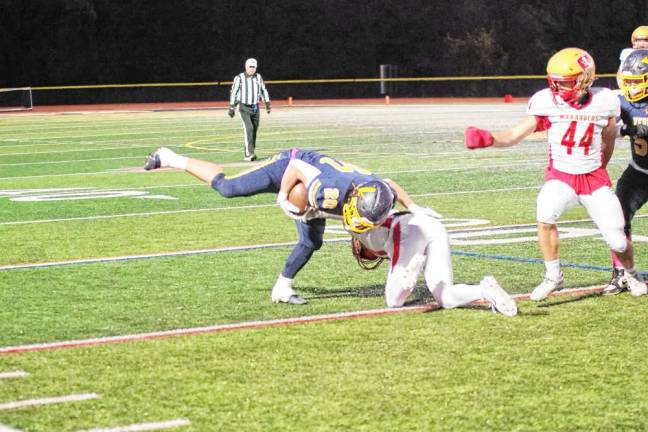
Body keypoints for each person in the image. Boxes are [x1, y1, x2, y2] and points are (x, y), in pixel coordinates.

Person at [144, 146, 440, 304]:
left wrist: (414, 207)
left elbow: (389, 184)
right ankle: (171, 157)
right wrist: (285, 198)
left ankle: (282, 288)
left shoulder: (377, 195)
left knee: (311, 241)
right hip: (289, 167)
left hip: (316, 187)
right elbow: (297, 170)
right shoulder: (326, 192)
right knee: (228, 188)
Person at [464, 47, 646, 300]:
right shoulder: (546, 102)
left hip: (593, 179)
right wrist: (489, 138)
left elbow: (608, 138)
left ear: (585, 79)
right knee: (545, 213)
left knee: (617, 239)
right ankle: (553, 276)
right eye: (556, 83)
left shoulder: (605, 101)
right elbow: (515, 134)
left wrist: (601, 165)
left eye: (566, 82)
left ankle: (631, 273)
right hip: (561, 176)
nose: (559, 89)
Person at [350, 210, 518, 316]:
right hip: (433, 226)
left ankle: (410, 275)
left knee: (394, 301)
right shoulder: (370, 224)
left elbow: (388, 183)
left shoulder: (363, 230)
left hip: (408, 229)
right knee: (446, 297)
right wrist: (411, 204)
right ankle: (485, 289)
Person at [604, 49, 648, 296]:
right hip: (640, 170)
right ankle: (620, 272)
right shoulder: (621, 102)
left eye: (636, 82)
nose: (631, 87)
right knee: (617, 217)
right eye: (628, 81)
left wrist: (632, 130)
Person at [228, 58, 271, 162]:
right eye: (250, 67)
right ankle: (248, 154)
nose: (252, 69)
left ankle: (252, 152)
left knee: (254, 130)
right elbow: (234, 92)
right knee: (249, 128)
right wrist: (232, 107)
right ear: (246, 67)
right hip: (244, 107)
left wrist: (267, 103)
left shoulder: (258, 77)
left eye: (253, 67)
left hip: (255, 107)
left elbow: (263, 90)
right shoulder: (239, 78)